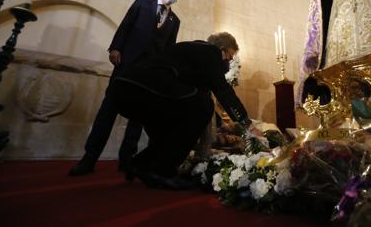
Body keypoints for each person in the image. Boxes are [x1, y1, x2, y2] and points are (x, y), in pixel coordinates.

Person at [111, 32, 260, 189]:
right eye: (229, 57)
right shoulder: (211, 52)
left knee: (169, 128)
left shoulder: (191, 51)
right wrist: (247, 124)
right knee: (204, 107)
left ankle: (141, 164)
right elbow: (223, 91)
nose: (229, 63)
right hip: (147, 89)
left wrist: (221, 122)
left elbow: (194, 93)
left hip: (125, 88)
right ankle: (165, 171)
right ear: (222, 49)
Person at [69, 0, 185, 176]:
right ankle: (89, 158)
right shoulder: (143, 2)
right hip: (127, 65)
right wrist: (116, 47)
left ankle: (126, 161)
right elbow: (126, 25)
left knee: (137, 118)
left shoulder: (175, 21)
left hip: (148, 75)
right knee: (108, 111)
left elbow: (169, 50)